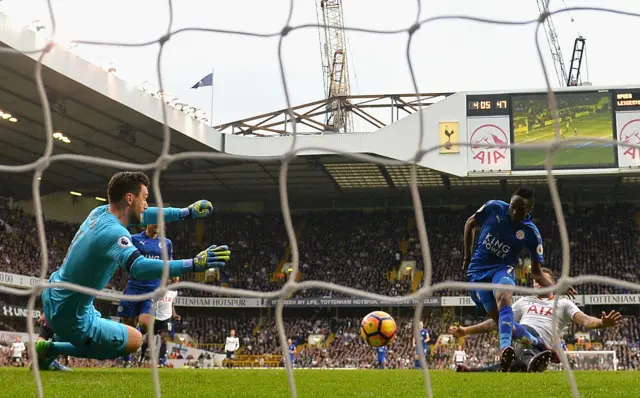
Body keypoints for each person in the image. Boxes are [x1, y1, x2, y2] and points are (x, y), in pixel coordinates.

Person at [35, 171, 230, 369]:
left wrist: (186, 213)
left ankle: (47, 352)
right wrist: (194, 264)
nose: (146, 205)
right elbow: (139, 267)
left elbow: (149, 214)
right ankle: (51, 350)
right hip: (70, 313)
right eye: (145, 198)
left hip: (53, 294)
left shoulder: (99, 212)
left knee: (103, 326)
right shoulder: (113, 232)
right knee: (133, 340)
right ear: (130, 198)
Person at [462, 186, 576, 371]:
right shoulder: (494, 207)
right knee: (504, 323)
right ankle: (540, 344)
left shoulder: (531, 233)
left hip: (502, 269)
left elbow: (537, 272)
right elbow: (470, 223)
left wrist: (556, 288)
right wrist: (467, 257)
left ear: (529, 211)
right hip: (477, 273)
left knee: (504, 296)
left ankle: (505, 348)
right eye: (512, 206)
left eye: (520, 210)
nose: (514, 212)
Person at [450, 267, 622, 373]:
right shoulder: (524, 302)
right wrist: (466, 330)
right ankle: (539, 351)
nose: (538, 284)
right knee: (513, 326)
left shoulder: (563, 303)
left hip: (538, 350)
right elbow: (498, 322)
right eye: (536, 282)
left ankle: (475, 370)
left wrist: (602, 323)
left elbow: (585, 320)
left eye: (542, 281)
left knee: (512, 368)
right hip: (527, 345)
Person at [117, 223, 172, 367]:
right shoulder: (134, 239)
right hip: (134, 287)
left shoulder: (166, 243)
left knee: (146, 323)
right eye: (155, 222)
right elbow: (124, 258)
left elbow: (168, 264)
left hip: (153, 290)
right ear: (148, 223)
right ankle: (126, 360)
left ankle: (139, 343)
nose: (158, 225)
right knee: (128, 325)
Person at [139, 276, 180, 367]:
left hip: (166, 318)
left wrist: (174, 314)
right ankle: (141, 357)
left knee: (164, 339)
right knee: (148, 340)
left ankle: (161, 362)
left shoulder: (174, 292)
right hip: (155, 317)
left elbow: (172, 304)